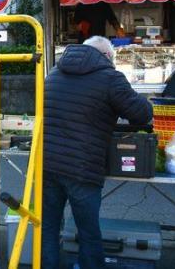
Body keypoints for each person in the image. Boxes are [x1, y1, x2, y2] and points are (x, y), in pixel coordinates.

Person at [42, 36, 152, 269]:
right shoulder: (110, 78)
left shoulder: (53, 73)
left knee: (49, 227)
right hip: (83, 167)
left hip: (48, 163)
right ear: (108, 56)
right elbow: (141, 115)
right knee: (88, 232)